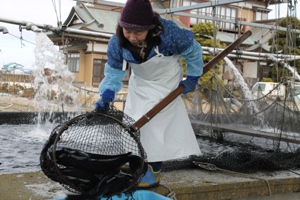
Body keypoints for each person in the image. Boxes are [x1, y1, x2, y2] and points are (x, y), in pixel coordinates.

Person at [95, 0, 204, 189]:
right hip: (140, 81)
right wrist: (107, 94)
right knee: (132, 121)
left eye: (138, 32)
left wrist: (192, 78)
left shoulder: (170, 33)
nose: (132, 37)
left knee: (153, 123)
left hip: (166, 80)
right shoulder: (118, 42)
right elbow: (114, 72)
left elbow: (193, 51)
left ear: (150, 28)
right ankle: (135, 162)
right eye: (128, 31)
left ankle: (153, 169)